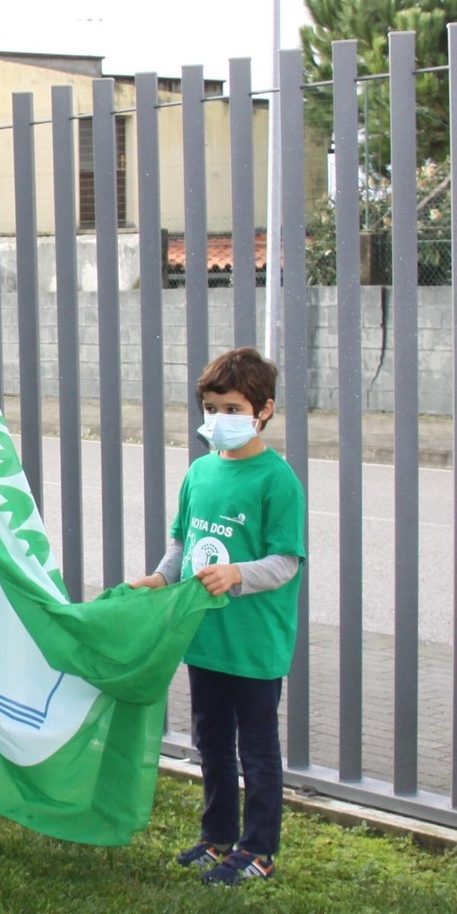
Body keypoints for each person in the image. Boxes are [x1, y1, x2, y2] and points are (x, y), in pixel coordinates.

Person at [128, 347, 306, 886]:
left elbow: (285, 563)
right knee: (212, 744)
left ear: (264, 410)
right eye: (211, 408)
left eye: (233, 409)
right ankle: (217, 837)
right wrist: (162, 578)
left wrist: (237, 574)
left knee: (257, 749)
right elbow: (183, 543)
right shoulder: (200, 473)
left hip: (253, 647)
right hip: (205, 640)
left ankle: (259, 850)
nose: (220, 419)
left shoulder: (278, 481)